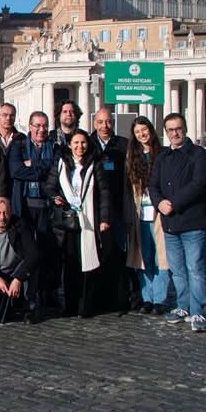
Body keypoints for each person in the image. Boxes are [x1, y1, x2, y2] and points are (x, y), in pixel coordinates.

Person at [149, 113, 206, 333]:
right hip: (170, 223)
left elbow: (199, 184)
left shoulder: (199, 154)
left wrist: (173, 203)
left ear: (184, 129)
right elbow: (153, 185)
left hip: (192, 220)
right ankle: (182, 306)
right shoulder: (162, 157)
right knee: (177, 270)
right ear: (166, 132)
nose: (174, 133)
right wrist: (159, 203)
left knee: (195, 268)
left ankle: (198, 311)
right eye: (170, 129)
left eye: (178, 128)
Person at [45, 129, 116, 318]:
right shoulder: (61, 164)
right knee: (70, 264)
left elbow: (105, 192)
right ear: (70, 145)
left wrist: (105, 218)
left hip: (90, 219)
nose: (79, 147)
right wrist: (55, 197)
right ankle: (70, 305)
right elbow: (49, 186)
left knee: (89, 263)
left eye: (83, 143)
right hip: (68, 222)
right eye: (76, 143)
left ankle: (86, 305)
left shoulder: (96, 164)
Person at [7, 111, 60, 309]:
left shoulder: (54, 148)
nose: (41, 129)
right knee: (27, 252)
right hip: (24, 206)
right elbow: (16, 171)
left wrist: (31, 165)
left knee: (47, 251)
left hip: (46, 207)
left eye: (44, 126)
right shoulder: (19, 146)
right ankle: (28, 294)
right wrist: (41, 168)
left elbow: (55, 170)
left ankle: (44, 291)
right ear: (29, 126)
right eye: (37, 125)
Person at [90, 107, 134, 311]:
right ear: (94, 123)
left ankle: (120, 297)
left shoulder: (124, 145)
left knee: (118, 253)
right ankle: (98, 296)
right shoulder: (87, 144)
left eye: (108, 122)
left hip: (117, 205)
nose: (104, 126)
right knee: (96, 254)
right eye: (100, 122)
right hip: (92, 207)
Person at [124, 116, 169, 315]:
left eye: (144, 130)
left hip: (159, 214)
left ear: (151, 130)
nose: (142, 134)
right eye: (137, 132)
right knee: (143, 257)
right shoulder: (132, 157)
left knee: (162, 259)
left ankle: (159, 298)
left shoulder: (163, 154)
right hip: (140, 213)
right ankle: (146, 297)